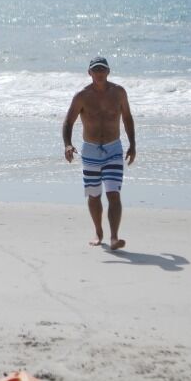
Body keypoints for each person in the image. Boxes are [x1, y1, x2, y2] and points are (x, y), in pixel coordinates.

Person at [62, 56, 136, 250]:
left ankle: (114, 237)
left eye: (103, 69)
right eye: (96, 70)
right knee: (94, 195)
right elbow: (68, 121)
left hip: (113, 148)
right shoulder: (82, 96)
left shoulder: (119, 93)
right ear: (90, 73)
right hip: (90, 150)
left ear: (108, 72)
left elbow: (127, 118)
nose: (99, 73)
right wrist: (67, 145)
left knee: (114, 194)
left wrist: (133, 145)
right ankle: (98, 231)